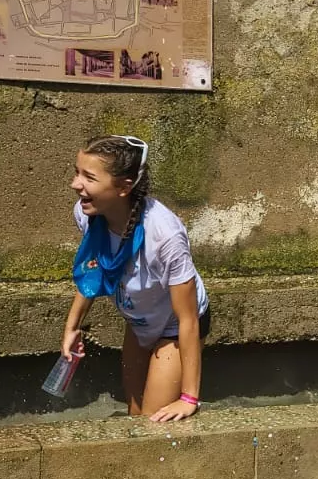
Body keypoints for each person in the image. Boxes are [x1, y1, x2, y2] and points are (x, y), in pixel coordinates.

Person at [59, 135, 209, 421]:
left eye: (89, 177)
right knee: (135, 414)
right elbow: (94, 271)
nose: (75, 184)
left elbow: (188, 318)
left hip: (175, 327)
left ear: (124, 187)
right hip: (140, 320)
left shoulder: (164, 235)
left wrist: (189, 398)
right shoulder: (88, 214)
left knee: (152, 420)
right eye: (77, 172)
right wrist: (72, 327)